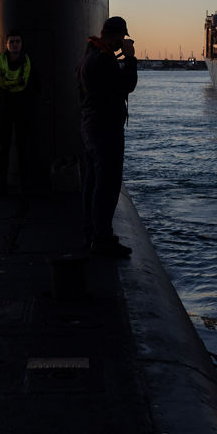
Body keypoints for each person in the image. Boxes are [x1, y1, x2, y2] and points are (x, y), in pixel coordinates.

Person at [76, 16, 137, 257]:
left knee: (92, 183)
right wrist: (130, 59)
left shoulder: (88, 57)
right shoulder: (103, 60)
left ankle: (90, 232)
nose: (123, 41)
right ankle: (102, 238)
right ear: (114, 36)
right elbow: (126, 85)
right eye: (122, 37)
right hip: (106, 129)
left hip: (90, 127)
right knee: (107, 185)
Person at [0, 32, 40, 195]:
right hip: (5, 109)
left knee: (23, 148)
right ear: (6, 45)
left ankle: (24, 186)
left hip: (22, 109)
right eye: (12, 42)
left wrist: (24, 98)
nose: (15, 44)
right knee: (5, 148)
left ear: (21, 44)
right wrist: (5, 96)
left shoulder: (28, 64)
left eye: (18, 41)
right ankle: (3, 186)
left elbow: (36, 85)